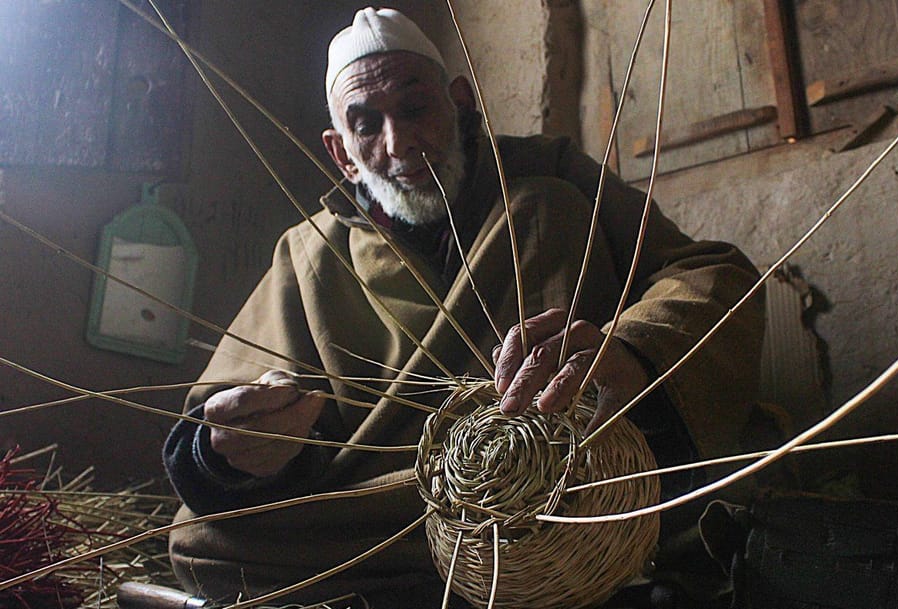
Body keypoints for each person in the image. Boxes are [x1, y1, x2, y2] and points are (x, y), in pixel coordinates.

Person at [164, 7, 764, 607]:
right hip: (405, 505)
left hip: (562, 466)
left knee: (539, 207)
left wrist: (631, 351)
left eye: (415, 108)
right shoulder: (308, 253)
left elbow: (714, 275)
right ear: (341, 152)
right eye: (366, 124)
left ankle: (542, 531)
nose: (399, 143)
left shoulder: (544, 173)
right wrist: (237, 449)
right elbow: (220, 417)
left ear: (460, 101)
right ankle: (490, 563)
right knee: (198, 540)